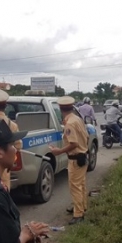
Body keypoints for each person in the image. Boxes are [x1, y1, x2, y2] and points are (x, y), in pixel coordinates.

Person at [49, 96, 89, 225]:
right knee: (81, 184)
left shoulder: (70, 124)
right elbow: (85, 137)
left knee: (75, 186)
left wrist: (58, 151)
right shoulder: (77, 119)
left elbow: (74, 144)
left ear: (61, 109)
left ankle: (78, 214)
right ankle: (82, 206)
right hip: (82, 156)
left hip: (75, 159)